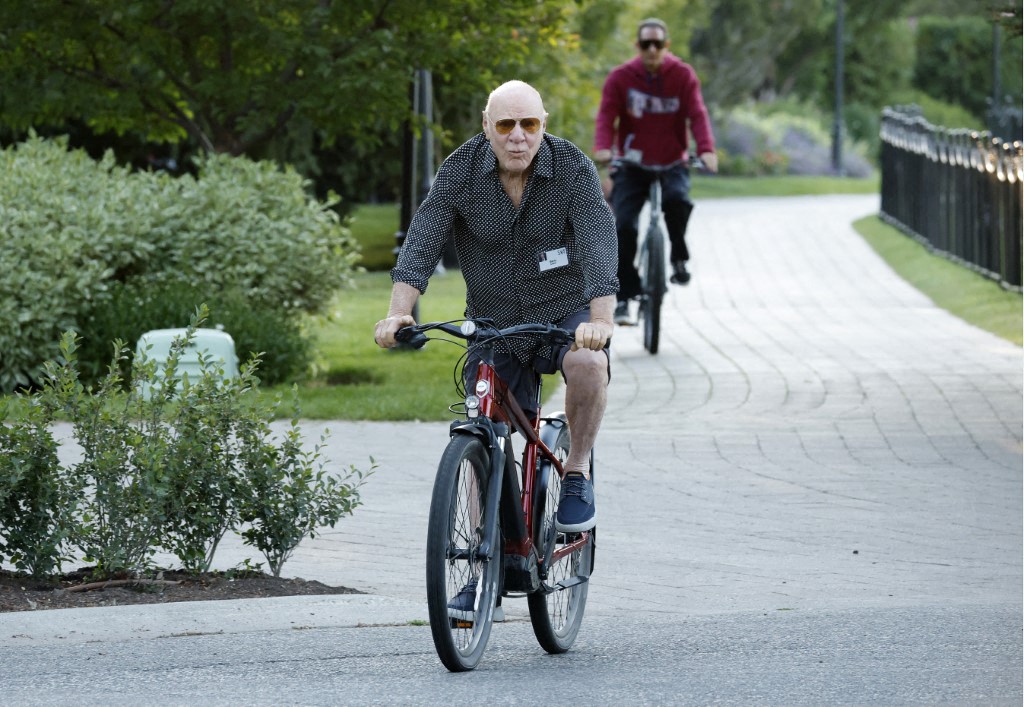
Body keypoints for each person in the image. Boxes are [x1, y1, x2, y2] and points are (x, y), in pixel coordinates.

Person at [374, 80, 617, 539]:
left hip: (564, 314)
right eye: (506, 125)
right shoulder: (460, 171)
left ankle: (578, 474)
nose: (517, 136)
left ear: (543, 125)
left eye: (528, 124)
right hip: (493, 321)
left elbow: (598, 242)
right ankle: (483, 560)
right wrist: (398, 312)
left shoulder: (571, 168)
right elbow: (423, 237)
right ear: (487, 127)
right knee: (483, 430)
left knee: (589, 363)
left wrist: (600, 321)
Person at [593, 17, 718, 325]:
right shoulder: (621, 77)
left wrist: (706, 150)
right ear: (638, 46)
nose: (652, 50)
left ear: (666, 46)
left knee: (678, 202)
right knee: (623, 226)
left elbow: (697, 114)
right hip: (632, 163)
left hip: (672, 161)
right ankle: (625, 297)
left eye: (657, 44)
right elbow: (607, 115)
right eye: (646, 44)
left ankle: (677, 256)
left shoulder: (683, 75)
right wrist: (603, 147)